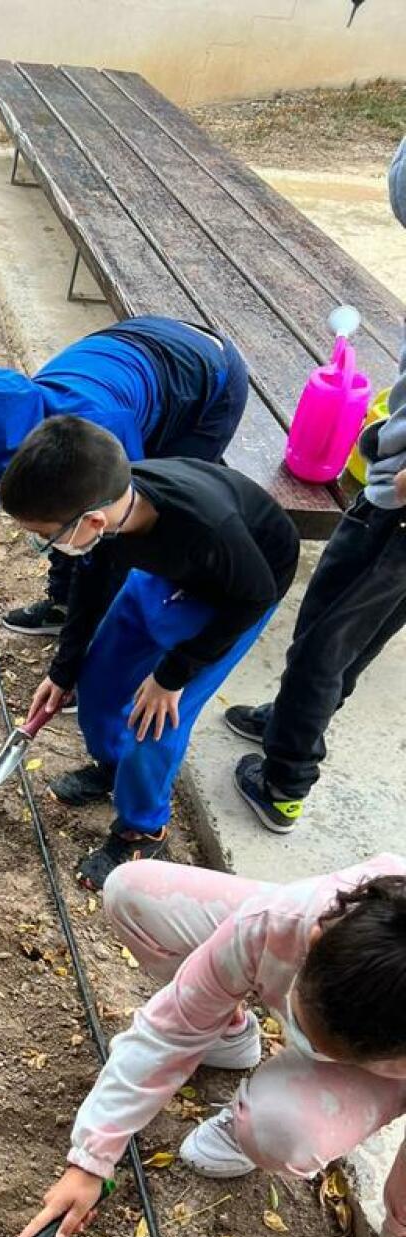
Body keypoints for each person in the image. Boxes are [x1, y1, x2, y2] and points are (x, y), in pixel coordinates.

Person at [14, 855, 406, 1237]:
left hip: (375, 1053)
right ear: (317, 939)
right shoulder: (292, 919)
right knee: (132, 894)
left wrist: (398, 1232)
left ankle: (255, 1125)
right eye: (298, 1023)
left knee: (281, 1131)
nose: (294, 1038)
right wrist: (92, 1156)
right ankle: (226, 1031)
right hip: (299, 954)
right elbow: (170, 1027)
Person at [0, 416, 299, 890]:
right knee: (98, 680)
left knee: (154, 720)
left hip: (234, 595)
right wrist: (64, 669)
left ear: (91, 521)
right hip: (166, 572)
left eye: (47, 537)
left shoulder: (205, 527)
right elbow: (91, 583)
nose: (46, 546)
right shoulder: (110, 514)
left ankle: (144, 827)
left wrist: (173, 675)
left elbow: (255, 594)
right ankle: (112, 767)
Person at [225, 137, 406, 833]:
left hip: (397, 514)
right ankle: (292, 722)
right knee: (360, 631)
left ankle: (283, 780)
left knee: (323, 638)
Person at [0, 317, 250, 643]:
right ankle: (61, 604)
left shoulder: (100, 430)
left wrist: (76, 656)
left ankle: (125, 637)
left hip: (206, 380)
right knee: (57, 514)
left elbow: (118, 529)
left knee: (138, 524)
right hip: (141, 348)